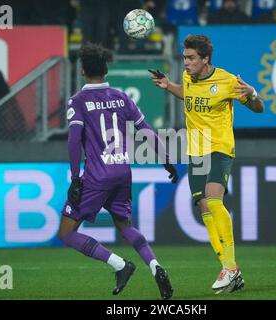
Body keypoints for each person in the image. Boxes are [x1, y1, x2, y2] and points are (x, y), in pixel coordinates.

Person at [57, 43, 178, 300]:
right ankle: (155, 267)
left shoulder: (77, 101)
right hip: (123, 171)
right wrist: (166, 159)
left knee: (67, 233)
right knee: (125, 225)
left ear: (82, 71)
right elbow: (146, 131)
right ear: (107, 69)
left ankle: (120, 265)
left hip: (97, 175)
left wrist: (76, 177)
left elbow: (73, 140)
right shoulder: (122, 97)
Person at [150, 34, 264, 294]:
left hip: (220, 148)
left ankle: (231, 268)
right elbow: (188, 95)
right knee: (204, 208)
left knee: (214, 200)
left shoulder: (226, 80)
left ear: (205, 59)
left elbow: (259, 108)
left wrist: (253, 94)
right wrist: (169, 85)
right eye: (185, 57)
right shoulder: (190, 78)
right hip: (196, 152)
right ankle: (230, 268)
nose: (186, 63)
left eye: (191, 58)